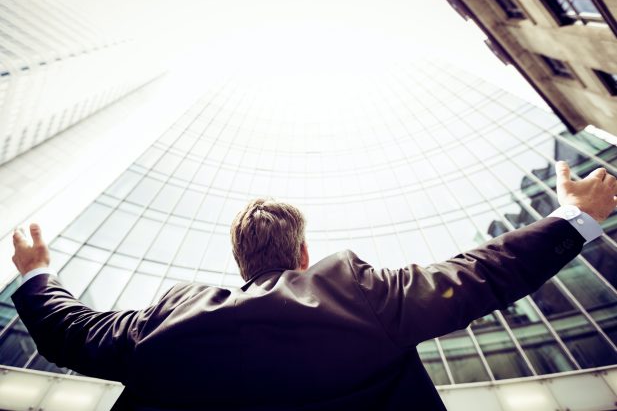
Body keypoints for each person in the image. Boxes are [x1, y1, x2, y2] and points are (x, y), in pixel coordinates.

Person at [10, 161, 617, 411]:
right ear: (303, 254)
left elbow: (69, 334)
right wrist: (574, 217)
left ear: (240, 263)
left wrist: (38, 272)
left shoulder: (166, 324)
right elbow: (479, 275)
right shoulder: (356, 292)